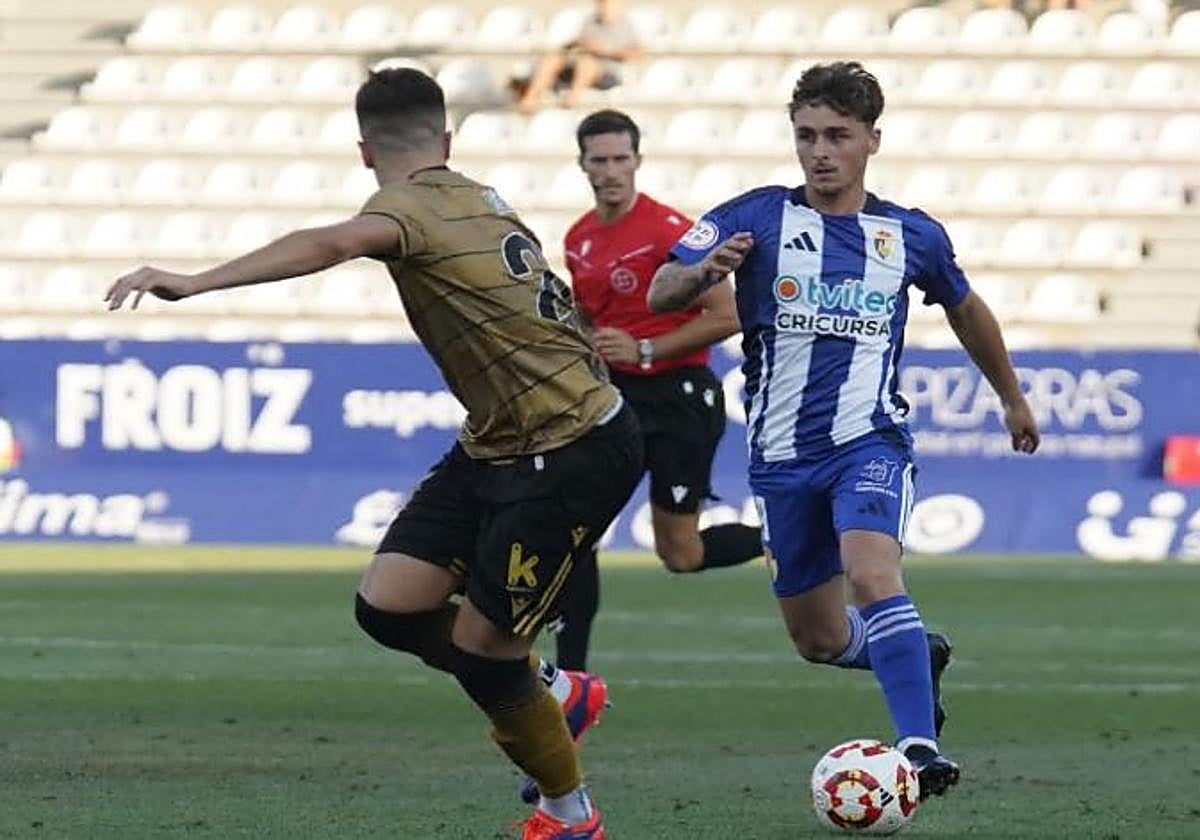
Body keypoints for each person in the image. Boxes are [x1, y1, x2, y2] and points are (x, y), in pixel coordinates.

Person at [105, 67, 642, 840]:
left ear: (364, 153)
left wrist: (193, 282)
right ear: (447, 141)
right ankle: (558, 693)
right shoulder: (478, 195)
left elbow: (331, 241)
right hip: (500, 440)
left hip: (573, 446)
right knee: (390, 606)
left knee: (487, 657)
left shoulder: (400, 209)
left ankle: (570, 815)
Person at [648, 61, 1041, 799]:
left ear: (871, 141)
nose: (820, 151)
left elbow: (964, 307)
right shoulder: (755, 216)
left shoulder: (910, 235)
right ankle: (913, 651)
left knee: (871, 573)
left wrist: (1012, 396)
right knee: (819, 640)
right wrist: (702, 277)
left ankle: (918, 751)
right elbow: (662, 288)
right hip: (780, 458)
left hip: (869, 441)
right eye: (806, 136)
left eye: (837, 135)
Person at [554, 109, 763, 671]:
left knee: (681, 553)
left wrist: (646, 350)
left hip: (679, 398)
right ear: (582, 165)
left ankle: (782, 539)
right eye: (599, 160)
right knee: (576, 532)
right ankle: (571, 682)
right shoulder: (578, 239)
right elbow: (589, 315)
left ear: (638, 162)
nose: (611, 170)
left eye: (621, 159)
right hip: (615, 399)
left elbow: (728, 314)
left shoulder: (670, 231)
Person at [514, 0, 642, 114]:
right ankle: (531, 97)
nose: (604, 6)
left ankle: (572, 98)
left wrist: (606, 50)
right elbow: (580, 42)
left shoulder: (626, 25)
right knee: (554, 58)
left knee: (587, 63)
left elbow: (638, 53)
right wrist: (579, 44)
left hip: (608, 72)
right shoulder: (591, 21)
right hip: (580, 64)